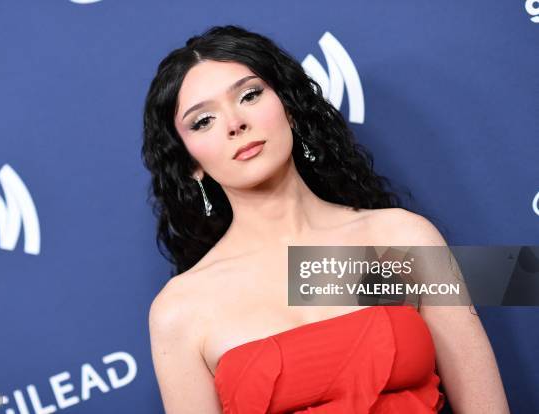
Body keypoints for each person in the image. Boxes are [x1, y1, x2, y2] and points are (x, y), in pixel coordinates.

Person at [142, 25, 509, 413]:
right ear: (190, 164)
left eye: (249, 95)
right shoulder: (180, 310)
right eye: (203, 121)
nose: (235, 123)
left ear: (290, 109)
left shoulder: (401, 238)